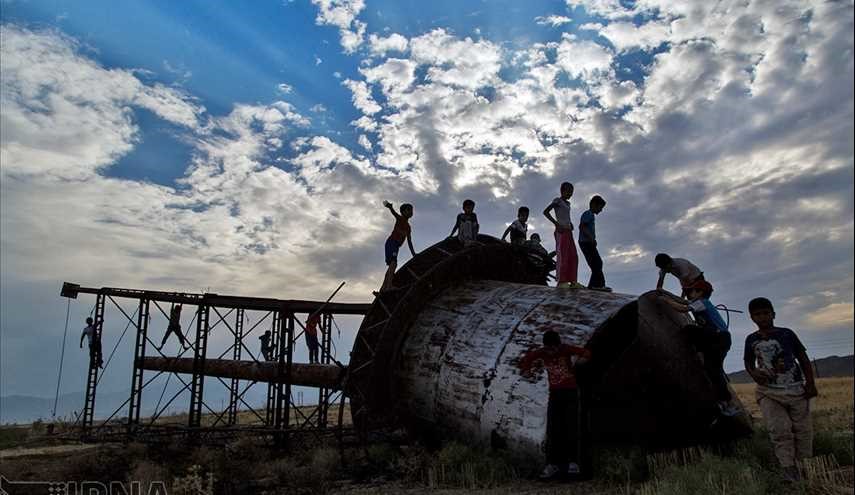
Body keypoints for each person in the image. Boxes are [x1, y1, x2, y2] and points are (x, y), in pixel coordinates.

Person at [744, 297, 817, 482]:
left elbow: (802, 357)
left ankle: (805, 467)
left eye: (766, 313)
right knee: (779, 430)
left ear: (773, 314)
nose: (762, 318)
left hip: (796, 389)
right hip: (769, 392)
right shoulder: (751, 339)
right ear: (752, 317)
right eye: (758, 314)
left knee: (803, 430)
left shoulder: (787, 334)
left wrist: (810, 383)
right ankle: (788, 469)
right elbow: (748, 361)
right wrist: (754, 374)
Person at [518, 330, 592, 480]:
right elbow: (527, 358)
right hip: (555, 394)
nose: (552, 351)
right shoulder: (543, 352)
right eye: (549, 349)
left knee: (571, 426)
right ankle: (553, 464)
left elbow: (586, 353)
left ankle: (573, 463)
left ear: (558, 345)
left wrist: (580, 363)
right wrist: (526, 371)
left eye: (554, 348)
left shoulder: (565, 349)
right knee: (553, 428)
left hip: (570, 392)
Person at [659, 280, 733, 409]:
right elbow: (682, 301)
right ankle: (722, 400)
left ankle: (726, 401)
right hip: (717, 338)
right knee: (711, 368)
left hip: (719, 338)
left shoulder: (702, 303)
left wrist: (665, 301)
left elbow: (682, 308)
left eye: (691, 291)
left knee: (712, 367)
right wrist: (665, 293)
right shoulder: (697, 302)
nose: (688, 294)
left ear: (700, 292)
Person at [543, 182, 582, 288]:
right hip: (561, 232)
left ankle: (573, 280)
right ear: (562, 191)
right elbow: (546, 212)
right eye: (568, 191)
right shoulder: (558, 201)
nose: (570, 194)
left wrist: (570, 223)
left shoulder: (568, 204)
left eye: (571, 192)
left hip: (569, 231)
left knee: (573, 256)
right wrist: (556, 224)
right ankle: (561, 281)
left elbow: (565, 216)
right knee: (563, 255)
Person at [381, 201, 416, 291]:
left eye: (411, 210)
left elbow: (409, 241)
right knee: (393, 263)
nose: (411, 212)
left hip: (396, 246)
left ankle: (383, 289)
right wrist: (390, 207)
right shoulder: (400, 219)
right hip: (391, 243)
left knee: (392, 265)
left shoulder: (408, 227)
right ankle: (388, 287)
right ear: (403, 212)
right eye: (408, 210)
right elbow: (394, 213)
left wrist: (414, 254)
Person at [578, 196, 609, 291]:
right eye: (600, 207)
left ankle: (594, 285)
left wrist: (592, 240)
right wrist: (591, 238)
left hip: (587, 242)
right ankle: (598, 285)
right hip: (586, 242)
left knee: (596, 264)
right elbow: (582, 227)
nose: (601, 210)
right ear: (594, 205)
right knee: (597, 263)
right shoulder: (588, 214)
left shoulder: (591, 215)